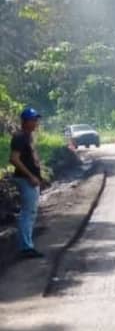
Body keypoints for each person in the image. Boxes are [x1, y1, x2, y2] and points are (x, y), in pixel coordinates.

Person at [9, 107, 49, 259]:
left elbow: (32, 160)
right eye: (33, 120)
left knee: (30, 213)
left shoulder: (28, 137)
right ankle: (26, 247)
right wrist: (31, 176)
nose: (35, 123)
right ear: (24, 121)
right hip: (26, 180)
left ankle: (27, 244)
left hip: (31, 179)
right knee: (28, 213)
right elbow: (14, 159)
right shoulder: (20, 137)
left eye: (36, 120)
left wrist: (40, 177)